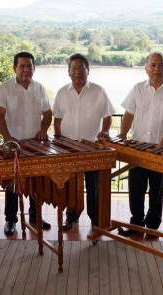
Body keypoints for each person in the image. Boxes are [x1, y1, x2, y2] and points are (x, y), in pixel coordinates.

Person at [118, 52, 163, 237]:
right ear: (146, 68)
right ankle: (135, 224)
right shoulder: (137, 89)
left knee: (157, 190)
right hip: (137, 148)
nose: (157, 69)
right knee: (136, 189)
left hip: (161, 150)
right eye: (153, 65)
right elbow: (129, 114)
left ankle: (153, 227)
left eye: (161, 65)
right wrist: (123, 133)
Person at [53, 53, 115, 229]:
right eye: (74, 68)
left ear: (88, 71)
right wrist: (58, 141)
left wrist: (104, 131)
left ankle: (95, 221)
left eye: (82, 68)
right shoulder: (62, 92)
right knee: (70, 185)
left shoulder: (98, 90)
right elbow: (57, 119)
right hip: (68, 148)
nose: (78, 72)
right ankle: (71, 217)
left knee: (93, 187)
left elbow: (107, 116)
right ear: (68, 71)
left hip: (91, 148)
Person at [0, 51, 53, 236]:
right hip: (14, 145)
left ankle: (35, 216)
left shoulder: (40, 88)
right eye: (22, 66)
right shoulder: (5, 87)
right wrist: (8, 139)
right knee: (12, 184)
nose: (26, 69)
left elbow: (48, 113)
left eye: (29, 66)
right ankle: (11, 220)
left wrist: (44, 129)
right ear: (14, 68)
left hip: (35, 145)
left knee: (37, 182)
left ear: (34, 68)